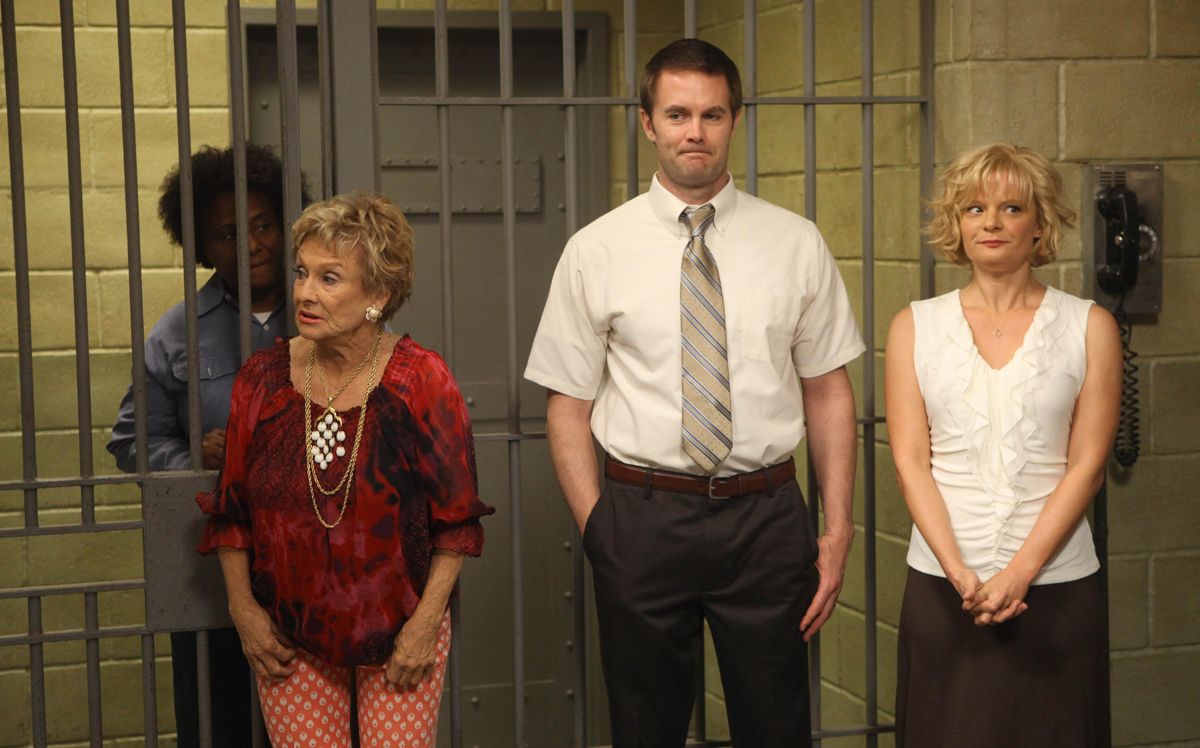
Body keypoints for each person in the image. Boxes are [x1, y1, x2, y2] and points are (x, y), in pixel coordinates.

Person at [525, 38, 864, 747]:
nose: (695, 132)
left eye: (712, 114)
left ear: (735, 119)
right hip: (642, 519)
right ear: (647, 123)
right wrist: (600, 530)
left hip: (768, 520)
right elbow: (568, 406)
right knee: (645, 730)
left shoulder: (796, 243)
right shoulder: (595, 249)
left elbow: (829, 392)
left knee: (777, 729)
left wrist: (836, 531)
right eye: (677, 114)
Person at [197, 191, 493, 748]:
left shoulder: (420, 380)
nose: (304, 292)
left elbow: (456, 525)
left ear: (378, 294)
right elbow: (232, 512)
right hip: (289, 636)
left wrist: (426, 624)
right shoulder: (262, 379)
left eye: (329, 278)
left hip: (401, 628)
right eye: (302, 272)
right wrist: (244, 611)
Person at [885, 143, 1120, 747]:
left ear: (1039, 224)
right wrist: (960, 573)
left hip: (1055, 590)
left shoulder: (1089, 326)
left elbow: (1088, 465)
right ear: (956, 223)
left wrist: (1019, 573)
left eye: (1012, 208)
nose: (991, 222)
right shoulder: (914, 326)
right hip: (944, 590)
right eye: (974, 208)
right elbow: (911, 462)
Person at [107, 143, 308, 747]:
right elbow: (131, 440)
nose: (251, 244)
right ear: (201, 246)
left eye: (263, 225)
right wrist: (196, 457)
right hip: (216, 576)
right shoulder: (176, 333)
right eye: (227, 234)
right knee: (219, 725)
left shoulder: (329, 311)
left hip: (319, 564)